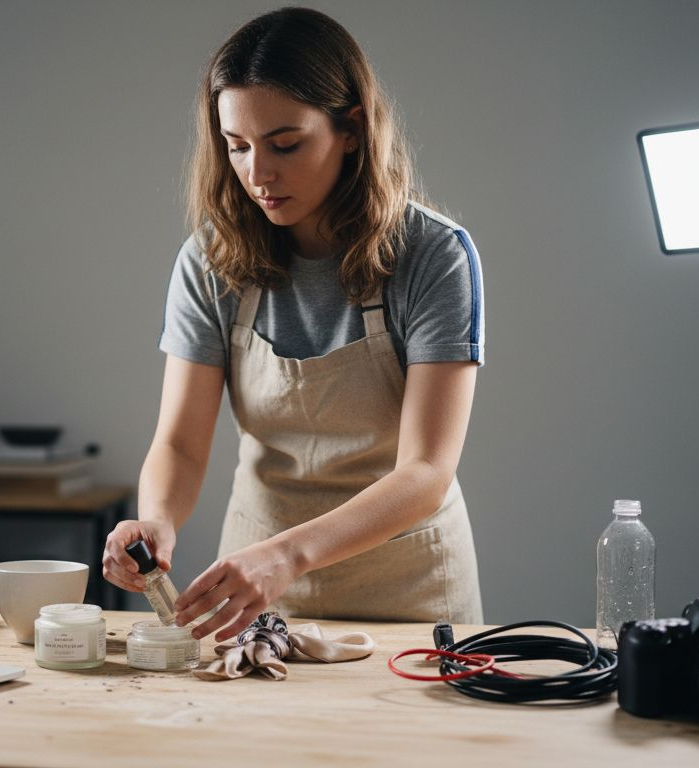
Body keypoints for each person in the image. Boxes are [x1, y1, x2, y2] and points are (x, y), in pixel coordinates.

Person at [102, 6, 485, 642]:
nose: (258, 174)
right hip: (252, 595)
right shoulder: (211, 259)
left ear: (353, 129)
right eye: (237, 147)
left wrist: (287, 555)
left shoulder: (434, 255)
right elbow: (180, 443)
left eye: (285, 145)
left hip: (407, 593)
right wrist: (157, 521)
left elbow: (425, 472)